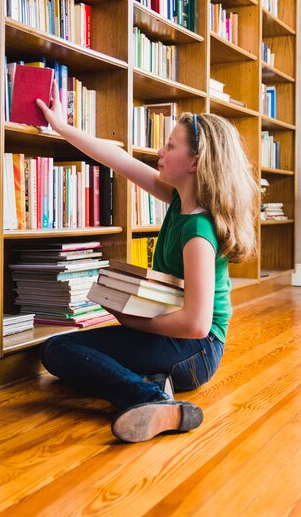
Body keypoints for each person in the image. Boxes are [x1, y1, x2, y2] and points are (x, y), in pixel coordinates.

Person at [36, 84, 258, 443]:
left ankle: (151, 399)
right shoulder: (176, 198)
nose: (160, 151)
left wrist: (131, 319)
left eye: (170, 145)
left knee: (59, 349)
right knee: (59, 350)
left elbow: (198, 324)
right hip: (179, 341)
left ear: (195, 162)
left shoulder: (198, 231)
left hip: (196, 350)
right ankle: (155, 384)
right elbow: (117, 159)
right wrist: (62, 128)